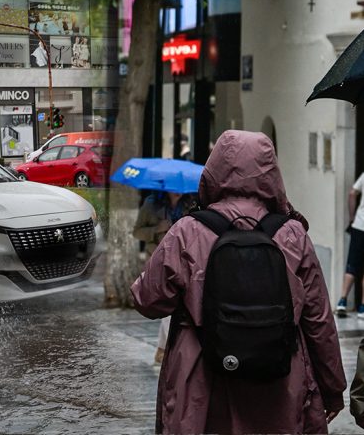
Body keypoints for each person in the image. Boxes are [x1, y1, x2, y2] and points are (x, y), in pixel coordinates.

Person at [131, 130, 345, 434]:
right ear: (271, 172)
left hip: (201, 388)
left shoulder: (188, 231)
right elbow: (319, 321)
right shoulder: (293, 234)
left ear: (214, 169)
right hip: (280, 385)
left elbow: (147, 300)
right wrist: (333, 387)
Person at [132, 191, 196, 365]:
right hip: (158, 261)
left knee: (175, 306)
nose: (177, 192)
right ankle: (166, 351)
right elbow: (137, 232)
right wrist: (156, 229)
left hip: (184, 261)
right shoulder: (151, 204)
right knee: (168, 306)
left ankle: (162, 351)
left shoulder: (190, 204)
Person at [336, 172, 364, 317]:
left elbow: (352, 193)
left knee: (352, 264)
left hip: (359, 225)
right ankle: (363, 308)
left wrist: (352, 217)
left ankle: (342, 301)